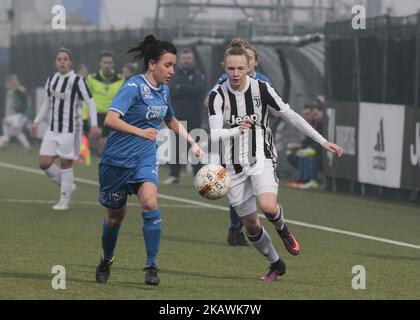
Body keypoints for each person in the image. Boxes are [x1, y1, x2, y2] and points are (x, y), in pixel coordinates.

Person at [208, 46, 343, 281]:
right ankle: (276, 264)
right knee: (250, 225)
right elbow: (215, 133)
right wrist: (235, 129)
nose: (236, 73)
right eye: (231, 68)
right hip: (233, 166)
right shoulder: (217, 95)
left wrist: (322, 141)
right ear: (224, 69)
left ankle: (283, 229)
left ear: (250, 67)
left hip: (261, 156)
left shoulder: (262, 89)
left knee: (269, 207)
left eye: (241, 68)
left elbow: (290, 114)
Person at [95, 35, 204, 286]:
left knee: (149, 202)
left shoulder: (163, 90)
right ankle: (107, 259)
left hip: (144, 158)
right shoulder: (133, 87)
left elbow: (170, 119)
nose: (172, 71)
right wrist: (139, 131)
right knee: (115, 217)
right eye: (168, 65)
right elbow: (110, 120)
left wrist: (192, 142)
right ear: (152, 64)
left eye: (174, 65)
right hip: (116, 161)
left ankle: (151, 265)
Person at [206, 38, 273, 247]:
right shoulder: (224, 80)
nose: (246, 64)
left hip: (257, 142)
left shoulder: (263, 82)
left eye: (250, 59)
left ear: (254, 62)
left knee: (256, 188)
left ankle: (251, 225)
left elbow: (273, 109)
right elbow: (209, 101)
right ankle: (235, 228)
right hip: (232, 140)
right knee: (238, 188)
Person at [31, 48, 100, 210]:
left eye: (65, 59)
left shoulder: (77, 80)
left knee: (66, 163)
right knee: (44, 163)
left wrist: (94, 124)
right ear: (56, 62)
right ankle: (66, 185)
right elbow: (47, 103)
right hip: (53, 129)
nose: (62, 61)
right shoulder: (51, 80)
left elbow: (90, 102)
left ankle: (64, 200)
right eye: (59, 59)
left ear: (70, 62)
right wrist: (36, 121)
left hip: (71, 129)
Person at [163, 48, 206, 184]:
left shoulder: (199, 75)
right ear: (179, 60)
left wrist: (181, 87)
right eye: (184, 58)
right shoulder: (173, 74)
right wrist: (185, 88)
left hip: (193, 116)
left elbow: (198, 90)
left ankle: (198, 175)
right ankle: (174, 175)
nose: (186, 61)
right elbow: (171, 89)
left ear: (193, 60)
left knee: (193, 146)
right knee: (175, 145)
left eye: (189, 58)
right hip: (176, 116)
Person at [86, 51, 125, 154]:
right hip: (96, 116)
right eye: (104, 62)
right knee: (99, 142)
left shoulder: (120, 79)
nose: (107, 65)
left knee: (106, 144)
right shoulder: (92, 78)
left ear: (113, 64)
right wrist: (86, 117)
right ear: (100, 63)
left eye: (109, 63)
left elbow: (123, 99)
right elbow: (86, 99)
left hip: (112, 115)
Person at [1, 74, 32, 152]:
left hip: (24, 114)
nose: (6, 85)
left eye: (7, 83)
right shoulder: (12, 92)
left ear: (11, 83)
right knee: (5, 122)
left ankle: (4, 141)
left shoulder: (18, 90)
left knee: (16, 131)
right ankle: (5, 140)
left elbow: (22, 90)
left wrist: (15, 81)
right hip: (18, 115)